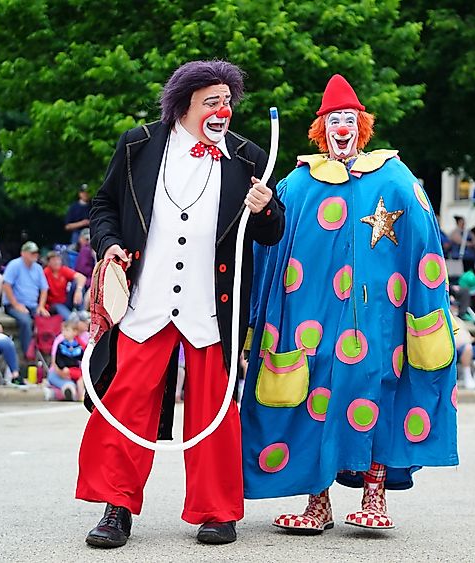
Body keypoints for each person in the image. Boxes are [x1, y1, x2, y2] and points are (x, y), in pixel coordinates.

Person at [77, 60, 285, 548]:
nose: (223, 110)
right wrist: (108, 243)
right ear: (184, 103)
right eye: (212, 101)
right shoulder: (138, 144)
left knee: (215, 409)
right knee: (126, 402)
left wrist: (266, 207)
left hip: (211, 306)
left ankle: (217, 512)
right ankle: (116, 508)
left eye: (228, 101)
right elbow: (104, 204)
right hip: (146, 303)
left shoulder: (249, 158)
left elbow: (271, 233)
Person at [241, 74, 458, 533]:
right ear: (322, 130)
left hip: (382, 319)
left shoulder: (395, 177)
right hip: (312, 322)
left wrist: (426, 312)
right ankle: (317, 504)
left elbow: (425, 246)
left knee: (380, 391)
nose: (343, 127)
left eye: (350, 118)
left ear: (362, 125)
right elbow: (268, 247)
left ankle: (374, 497)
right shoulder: (298, 184)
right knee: (312, 403)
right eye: (334, 120)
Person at [3, 241, 50, 356]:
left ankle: (46, 351)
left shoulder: (38, 268)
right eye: (32, 253)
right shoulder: (14, 265)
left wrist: (41, 306)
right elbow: (6, 285)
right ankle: (27, 354)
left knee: (46, 319)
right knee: (25, 321)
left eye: (36, 253)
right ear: (23, 253)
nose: (35, 255)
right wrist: (16, 305)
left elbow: (44, 289)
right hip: (13, 304)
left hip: (33, 305)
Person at [46, 319, 86, 401]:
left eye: (67, 330)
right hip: (60, 371)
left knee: (80, 381)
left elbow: (83, 356)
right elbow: (56, 359)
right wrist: (61, 369)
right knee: (69, 385)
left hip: (75, 370)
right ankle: (67, 391)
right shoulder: (61, 342)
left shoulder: (81, 341)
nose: (64, 333)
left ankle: (77, 394)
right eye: (63, 330)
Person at [43, 251, 86, 318]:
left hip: (65, 301)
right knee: (59, 308)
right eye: (54, 260)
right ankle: (72, 318)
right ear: (49, 262)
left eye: (58, 259)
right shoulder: (45, 273)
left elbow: (82, 277)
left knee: (77, 283)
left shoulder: (63, 269)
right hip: (53, 304)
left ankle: (81, 311)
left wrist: (79, 290)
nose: (57, 262)